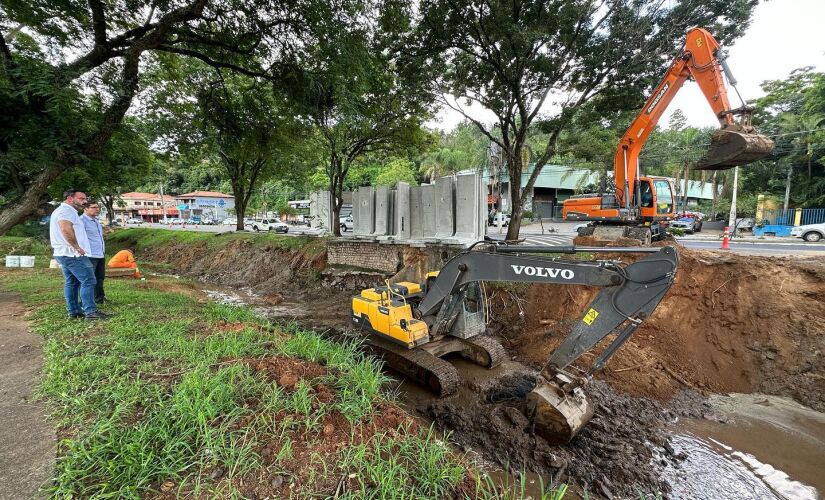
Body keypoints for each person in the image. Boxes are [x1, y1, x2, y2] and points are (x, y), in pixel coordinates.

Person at [49, 190, 109, 320]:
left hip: (65, 253)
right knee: (89, 280)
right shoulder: (66, 211)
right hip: (72, 254)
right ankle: (90, 312)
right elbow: (65, 228)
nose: (84, 201)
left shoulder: (65, 211)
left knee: (72, 282)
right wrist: (77, 247)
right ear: (70, 198)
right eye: (81, 199)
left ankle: (74, 311)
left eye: (85, 199)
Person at [81, 201, 107, 304]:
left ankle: (99, 298)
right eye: (94, 207)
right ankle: (88, 302)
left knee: (100, 277)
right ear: (86, 208)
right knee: (89, 279)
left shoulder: (96, 221)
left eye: (98, 207)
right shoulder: (81, 221)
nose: (97, 209)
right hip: (90, 254)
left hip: (100, 253)